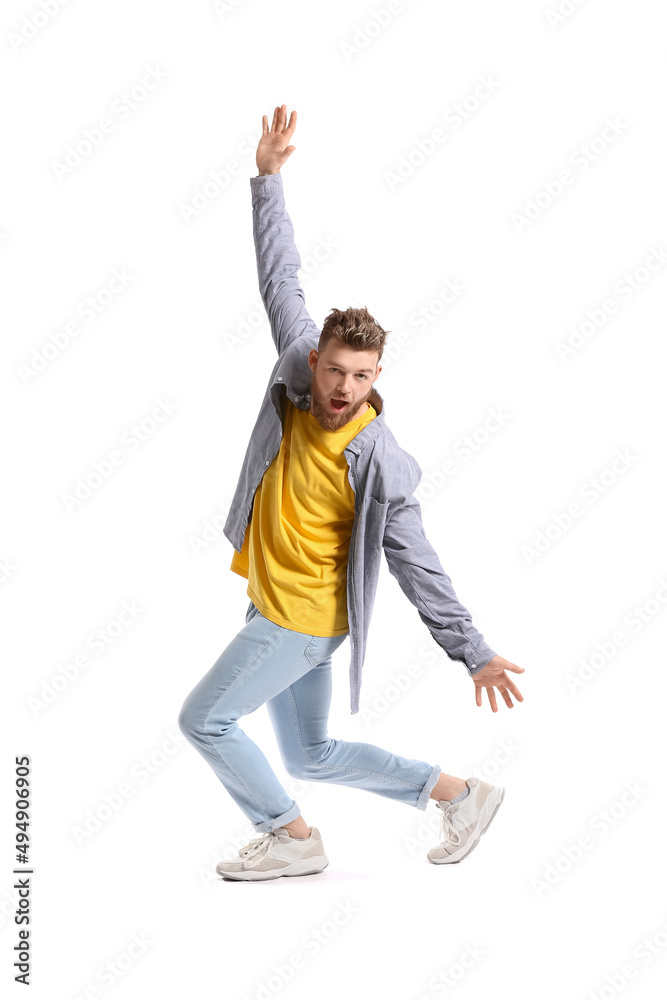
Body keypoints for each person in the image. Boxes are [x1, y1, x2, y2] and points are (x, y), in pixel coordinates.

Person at [178, 104, 525, 881]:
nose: (340, 388)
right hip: (278, 603)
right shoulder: (299, 372)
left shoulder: (379, 460)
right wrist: (267, 179)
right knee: (311, 752)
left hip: (303, 618)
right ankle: (461, 794)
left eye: (359, 377)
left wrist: (471, 652)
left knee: (203, 720)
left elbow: (417, 562)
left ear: (377, 378)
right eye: (333, 371)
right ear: (318, 361)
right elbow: (281, 275)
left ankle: (292, 838)